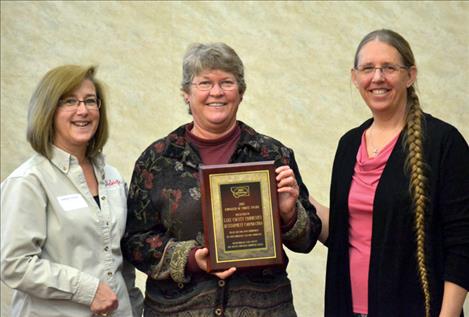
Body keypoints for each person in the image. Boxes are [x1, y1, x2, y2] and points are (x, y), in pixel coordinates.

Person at [121, 42, 321, 317]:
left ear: (240, 92)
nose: (216, 92)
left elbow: (308, 239)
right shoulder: (157, 160)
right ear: (186, 95)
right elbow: (135, 241)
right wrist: (192, 259)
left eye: (226, 82)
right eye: (204, 83)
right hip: (179, 309)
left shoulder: (271, 154)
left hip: (264, 309)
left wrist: (288, 214)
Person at [319, 29, 469, 317]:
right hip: (349, 309)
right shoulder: (349, 144)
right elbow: (343, 233)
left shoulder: (443, 143)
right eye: (367, 69)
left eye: (388, 68)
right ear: (354, 77)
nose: (377, 77)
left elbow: (463, 245)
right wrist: (294, 196)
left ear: (410, 75)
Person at [1, 65, 143, 317]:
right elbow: (14, 265)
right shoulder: (29, 181)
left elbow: (121, 261)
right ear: (48, 111)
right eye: (69, 101)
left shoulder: (112, 178)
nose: (83, 110)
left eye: (90, 101)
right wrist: (88, 289)